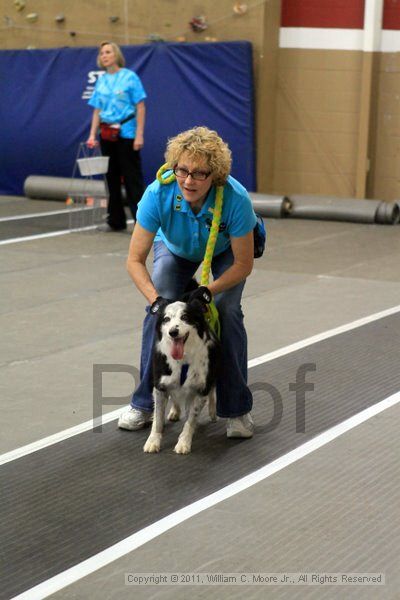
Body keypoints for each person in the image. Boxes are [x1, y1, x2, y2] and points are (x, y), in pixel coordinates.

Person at [118, 126, 257, 439]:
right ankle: (143, 403)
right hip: (175, 248)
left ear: (215, 175)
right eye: (182, 170)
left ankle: (236, 410)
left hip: (223, 255)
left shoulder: (235, 200)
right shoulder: (157, 194)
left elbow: (243, 263)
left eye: (199, 173)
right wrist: (156, 300)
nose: (189, 181)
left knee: (227, 311)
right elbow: (134, 260)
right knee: (159, 314)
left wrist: (209, 290)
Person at [87, 41, 146, 232]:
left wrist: (139, 135)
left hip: (126, 133)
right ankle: (116, 220)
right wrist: (92, 135)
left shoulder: (130, 77)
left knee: (131, 178)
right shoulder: (101, 80)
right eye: (102, 53)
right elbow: (97, 109)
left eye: (108, 52)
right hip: (106, 134)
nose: (104, 55)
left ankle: (142, 222)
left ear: (116, 55)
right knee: (110, 177)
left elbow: (140, 107)